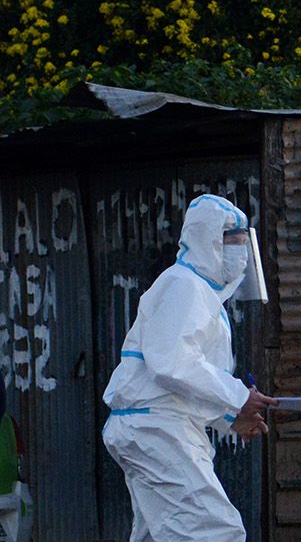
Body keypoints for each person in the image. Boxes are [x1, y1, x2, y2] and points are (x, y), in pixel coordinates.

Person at [102, 194, 277, 541]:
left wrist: (230, 418)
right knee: (214, 532)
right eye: (233, 242)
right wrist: (238, 396)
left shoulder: (201, 295)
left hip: (156, 425)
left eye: (244, 243)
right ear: (208, 240)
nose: (240, 252)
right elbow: (172, 364)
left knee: (163, 533)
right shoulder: (184, 286)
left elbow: (184, 383)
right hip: (158, 430)